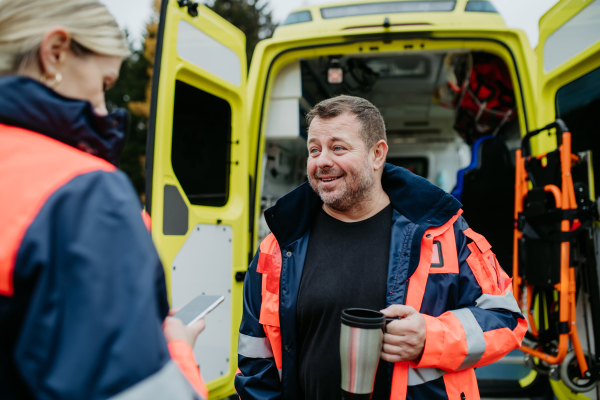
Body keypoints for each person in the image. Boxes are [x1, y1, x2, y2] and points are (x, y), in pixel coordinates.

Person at [234, 95, 527, 400]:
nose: (321, 161)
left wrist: (430, 337)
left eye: (337, 148)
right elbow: (256, 360)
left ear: (377, 154)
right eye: (314, 150)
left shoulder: (443, 234)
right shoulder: (278, 247)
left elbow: (506, 320)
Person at [0, 1, 207, 399]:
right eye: (105, 83)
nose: (101, 107)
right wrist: (176, 348)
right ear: (55, 51)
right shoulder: (81, 194)